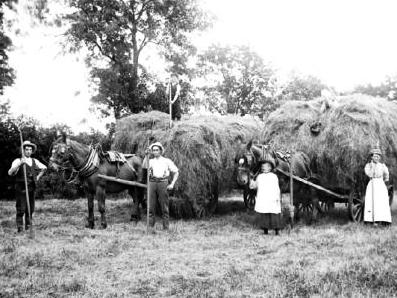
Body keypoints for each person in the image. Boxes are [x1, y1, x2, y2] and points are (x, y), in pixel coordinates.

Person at [8, 140, 47, 232]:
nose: (28, 151)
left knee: (31, 208)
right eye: (26, 149)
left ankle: (28, 226)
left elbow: (44, 168)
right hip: (21, 188)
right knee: (21, 208)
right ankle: (20, 228)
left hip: (31, 187)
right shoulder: (18, 160)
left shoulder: (34, 161)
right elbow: (10, 172)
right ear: (23, 150)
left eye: (30, 149)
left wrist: (37, 177)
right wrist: (20, 163)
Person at [146, 142, 179, 230]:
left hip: (163, 182)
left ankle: (166, 228)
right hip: (152, 182)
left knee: (164, 206)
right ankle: (150, 227)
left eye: (157, 150)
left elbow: (176, 172)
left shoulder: (166, 161)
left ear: (160, 151)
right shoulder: (150, 161)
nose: (155, 152)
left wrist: (172, 184)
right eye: (153, 150)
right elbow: (144, 166)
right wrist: (147, 155)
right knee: (151, 206)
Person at [250, 160, 282, 235]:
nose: (263, 168)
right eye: (262, 167)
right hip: (263, 197)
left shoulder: (274, 177)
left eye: (265, 166)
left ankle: (277, 231)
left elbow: (277, 188)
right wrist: (252, 182)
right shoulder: (259, 176)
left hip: (272, 197)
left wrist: (277, 197)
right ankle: (265, 230)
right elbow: (255, 186)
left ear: (270, 168)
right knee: (264, 213)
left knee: (274, 213)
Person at [363, 146, 392, 226]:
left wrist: (385, 180)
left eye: (378, 156)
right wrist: (372, 167)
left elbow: (386, 175)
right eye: (375, 156)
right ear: (372, 157)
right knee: (371, 201)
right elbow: (369, 174)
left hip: (380, 184)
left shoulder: (382, 166)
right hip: (372, 183)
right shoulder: (368, 165)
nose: (377, 158)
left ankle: (381, 220)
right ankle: (371, 220)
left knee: (380, 202)